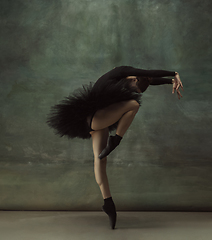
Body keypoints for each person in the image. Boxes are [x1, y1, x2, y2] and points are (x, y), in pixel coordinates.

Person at [47, 66, 183, 229]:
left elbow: (150, 79)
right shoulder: (120, 72)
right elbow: (149, 73)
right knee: (133, 104)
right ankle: (116, 140)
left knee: (100, 160)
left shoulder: (135, 80)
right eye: (135, 88)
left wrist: (170, 82)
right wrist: (174, 73)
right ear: (134, 79)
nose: (133, 91)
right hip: (94, 118)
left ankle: (108, 203)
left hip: (98, 123)